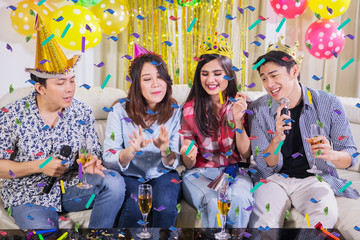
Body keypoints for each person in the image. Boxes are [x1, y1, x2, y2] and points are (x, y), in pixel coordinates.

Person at [0, 16, 125, 229]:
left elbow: (92, 154)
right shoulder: (12, 114)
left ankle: (97, 236)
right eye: (60, 82)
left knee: (114, 181)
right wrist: (39, 165)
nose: (69, 88)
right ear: (40, 88)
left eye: (72, 80)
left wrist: (89, 163)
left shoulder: (82, 111)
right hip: (29, 194)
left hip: (71, 187)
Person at [248, 36, 359, 228]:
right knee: (263, 222)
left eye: (274, 76)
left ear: (294, 71)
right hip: (273, 180)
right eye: (264, 79)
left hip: (314, 179)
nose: (269, 84)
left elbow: (351, 155)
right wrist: (276, 139)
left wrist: (330, 154)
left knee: (325, 217)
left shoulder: (329, 103)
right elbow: (264, 163)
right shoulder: (258, 108)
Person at [180, 33, 255, 228]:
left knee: (239, 199)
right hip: (200, 172)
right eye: (205, 74)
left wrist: (239, 121)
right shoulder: (189, 109)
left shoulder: (242, 104)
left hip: (236, 172)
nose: (210, 79)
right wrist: (188, 153)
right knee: (214, 201)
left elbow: (246, 154)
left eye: (217, 73)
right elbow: (188, 164)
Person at [103, 44, 181, 228]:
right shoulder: (119, 111)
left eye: (160, 77)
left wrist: (165, 150)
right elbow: (108, 156)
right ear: (136, 84)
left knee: (166, 207)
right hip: (130, 176)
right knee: (135, 209)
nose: (156, 84)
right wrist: (130, 151)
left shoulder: (176, 110)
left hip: (164, 174)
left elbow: (174, 158)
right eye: (147, 79)